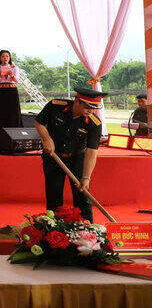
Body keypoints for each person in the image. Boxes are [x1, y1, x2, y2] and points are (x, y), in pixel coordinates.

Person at [34, 87, 106, 222]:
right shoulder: (55, 106)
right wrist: (46, 138)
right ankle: (53, 228)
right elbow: (39, 122)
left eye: (94, 108)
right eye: (87, 107)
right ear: (77, 101)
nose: (91, 111)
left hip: (77, 158)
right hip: (53, 156)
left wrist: (86, 177)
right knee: (53, 194)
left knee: (83, 195)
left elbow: (92, 151)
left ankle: (88, 229)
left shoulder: (94, 123)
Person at [0, 50, 23, 130]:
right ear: (0, 58)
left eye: (7, 56)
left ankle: (16, 130)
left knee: (13, 111)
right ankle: (1, 131)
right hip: (0, 90)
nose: (5, 58)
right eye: (3, 56)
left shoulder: (14, 67)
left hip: (12, 90)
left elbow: (16, 80)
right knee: (1, 111)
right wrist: (0, 73)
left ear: (9, 58)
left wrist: (11, 75)